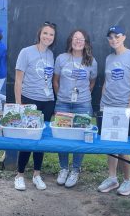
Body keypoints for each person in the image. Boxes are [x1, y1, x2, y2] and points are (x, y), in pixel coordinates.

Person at [97, 25, 130, 195]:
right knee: (110, 145)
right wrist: (102, 104)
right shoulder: (109, 58)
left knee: (122, 147)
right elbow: (107, 83)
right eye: (110, 37)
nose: (114, 40)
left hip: (123, 108)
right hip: (106, 106)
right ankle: (112, 179)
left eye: (117, 36)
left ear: (124, 37)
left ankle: (128, 181)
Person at [14, 21, 57, 191]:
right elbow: (18, 80)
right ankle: (19, 175)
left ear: (54, 38)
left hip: (47, 102)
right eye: (45, 33)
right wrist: (19, 104)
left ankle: (37, 175)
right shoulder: (26, 52)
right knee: (27, 138)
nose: (48, 37)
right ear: (40, 34)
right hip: (29, 100)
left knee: (40, 139)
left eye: (51, 35)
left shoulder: (51, 55)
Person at [53, 29, 98, 188]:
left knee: (81, 137)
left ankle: (75, 170)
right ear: (70, 40)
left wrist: (82, 96)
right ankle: (64, 168)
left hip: (83, 104)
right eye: (75, 38)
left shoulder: (91, 61)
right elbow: (56, 80)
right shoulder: (61, 58)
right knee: (63, 136)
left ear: (86, 42)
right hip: (63, 103)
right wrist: (62, 96)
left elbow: (92, 82)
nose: (78, 41)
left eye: (81, 39)